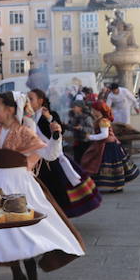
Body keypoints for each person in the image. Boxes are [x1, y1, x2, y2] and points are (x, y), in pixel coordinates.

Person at [0, 91, 85, 280]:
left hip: (19, 186)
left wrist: (56, 137)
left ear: (10, 110)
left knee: (22, 233)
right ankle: (18, 277)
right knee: (3, 233)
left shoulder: (24, 132)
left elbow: (49, 154)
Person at [28, 90, 101, 218]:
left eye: (31, 98)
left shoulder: (51, 114)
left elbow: (57, 131)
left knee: (57, 189)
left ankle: (59, 215)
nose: (28, 101)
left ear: (40, 100)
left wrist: (49, 118)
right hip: (37, 160)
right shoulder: (30, 117)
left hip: (52, 159)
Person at [80, 101, 140, 192]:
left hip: (108, 145)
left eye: (93, 109)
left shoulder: (103, 121)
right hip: (104, 144)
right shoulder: (99, 120)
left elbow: (104, 135)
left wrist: (90, 137)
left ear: (98, 110)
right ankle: (110, 185)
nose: (92, 111)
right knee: (102, 165)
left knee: (110, 166)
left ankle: (116, 186)